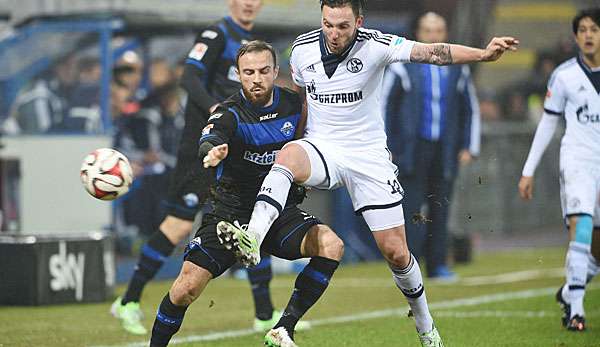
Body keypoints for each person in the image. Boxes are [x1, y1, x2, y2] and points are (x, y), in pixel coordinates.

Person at [217, 1, 518, 345]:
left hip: (368, 156)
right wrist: (292, 139)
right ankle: (252, 238)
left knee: (396, 252)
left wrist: (483, 54)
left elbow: (432, 53)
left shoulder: (376, 45)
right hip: (323, 146)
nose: (334, 33)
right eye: (328, 24)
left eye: (343, 25)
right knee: (287, 155)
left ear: (358, 21)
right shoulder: (301, 51)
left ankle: (425, 325)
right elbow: (302, 101)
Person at [111, 0, 293, 335]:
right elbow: (189, 76)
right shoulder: (217, 34)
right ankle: (129, 301)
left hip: (235, 148)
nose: (250, 3)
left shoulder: (248, 43)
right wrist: (216, 110)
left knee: (254, 217)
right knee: (179, 225)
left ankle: (265, 313)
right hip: (203, 146)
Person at [149, 40, 344, 347]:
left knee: (331, 245)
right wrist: (213, 152)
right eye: (249, 72)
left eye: (264, 71)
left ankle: (283, 328)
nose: (257, 78)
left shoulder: (295, 105)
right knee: (185, 288)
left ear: (276, 71)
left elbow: (318, 138)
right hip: (231, 215)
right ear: (238, 75)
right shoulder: (229, 113)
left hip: (280, 213)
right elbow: (210, 137)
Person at [518, 8, 600, 332]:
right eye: (582, 29)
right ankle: (576, 312)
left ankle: (568, 293)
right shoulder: (564, 75)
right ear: (576, 36)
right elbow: (548, 123)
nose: (589, 35)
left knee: (595, 250)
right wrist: (528, 170)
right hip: (578, 160)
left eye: (594, 28)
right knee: (581, 227)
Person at [383, 12, 481, 280]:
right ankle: (408, 267)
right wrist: (386, 145)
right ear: (419, 34)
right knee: (411, 209)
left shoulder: (458, 68)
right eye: (428, 30)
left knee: (441, 208)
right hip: (411, 150)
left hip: (445, 149)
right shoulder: (403, 65)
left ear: (445, 33)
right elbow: (385, 107)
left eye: (438, 30)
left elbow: (469, 107)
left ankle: (437, 265)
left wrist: (468, 146)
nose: (433, 35)